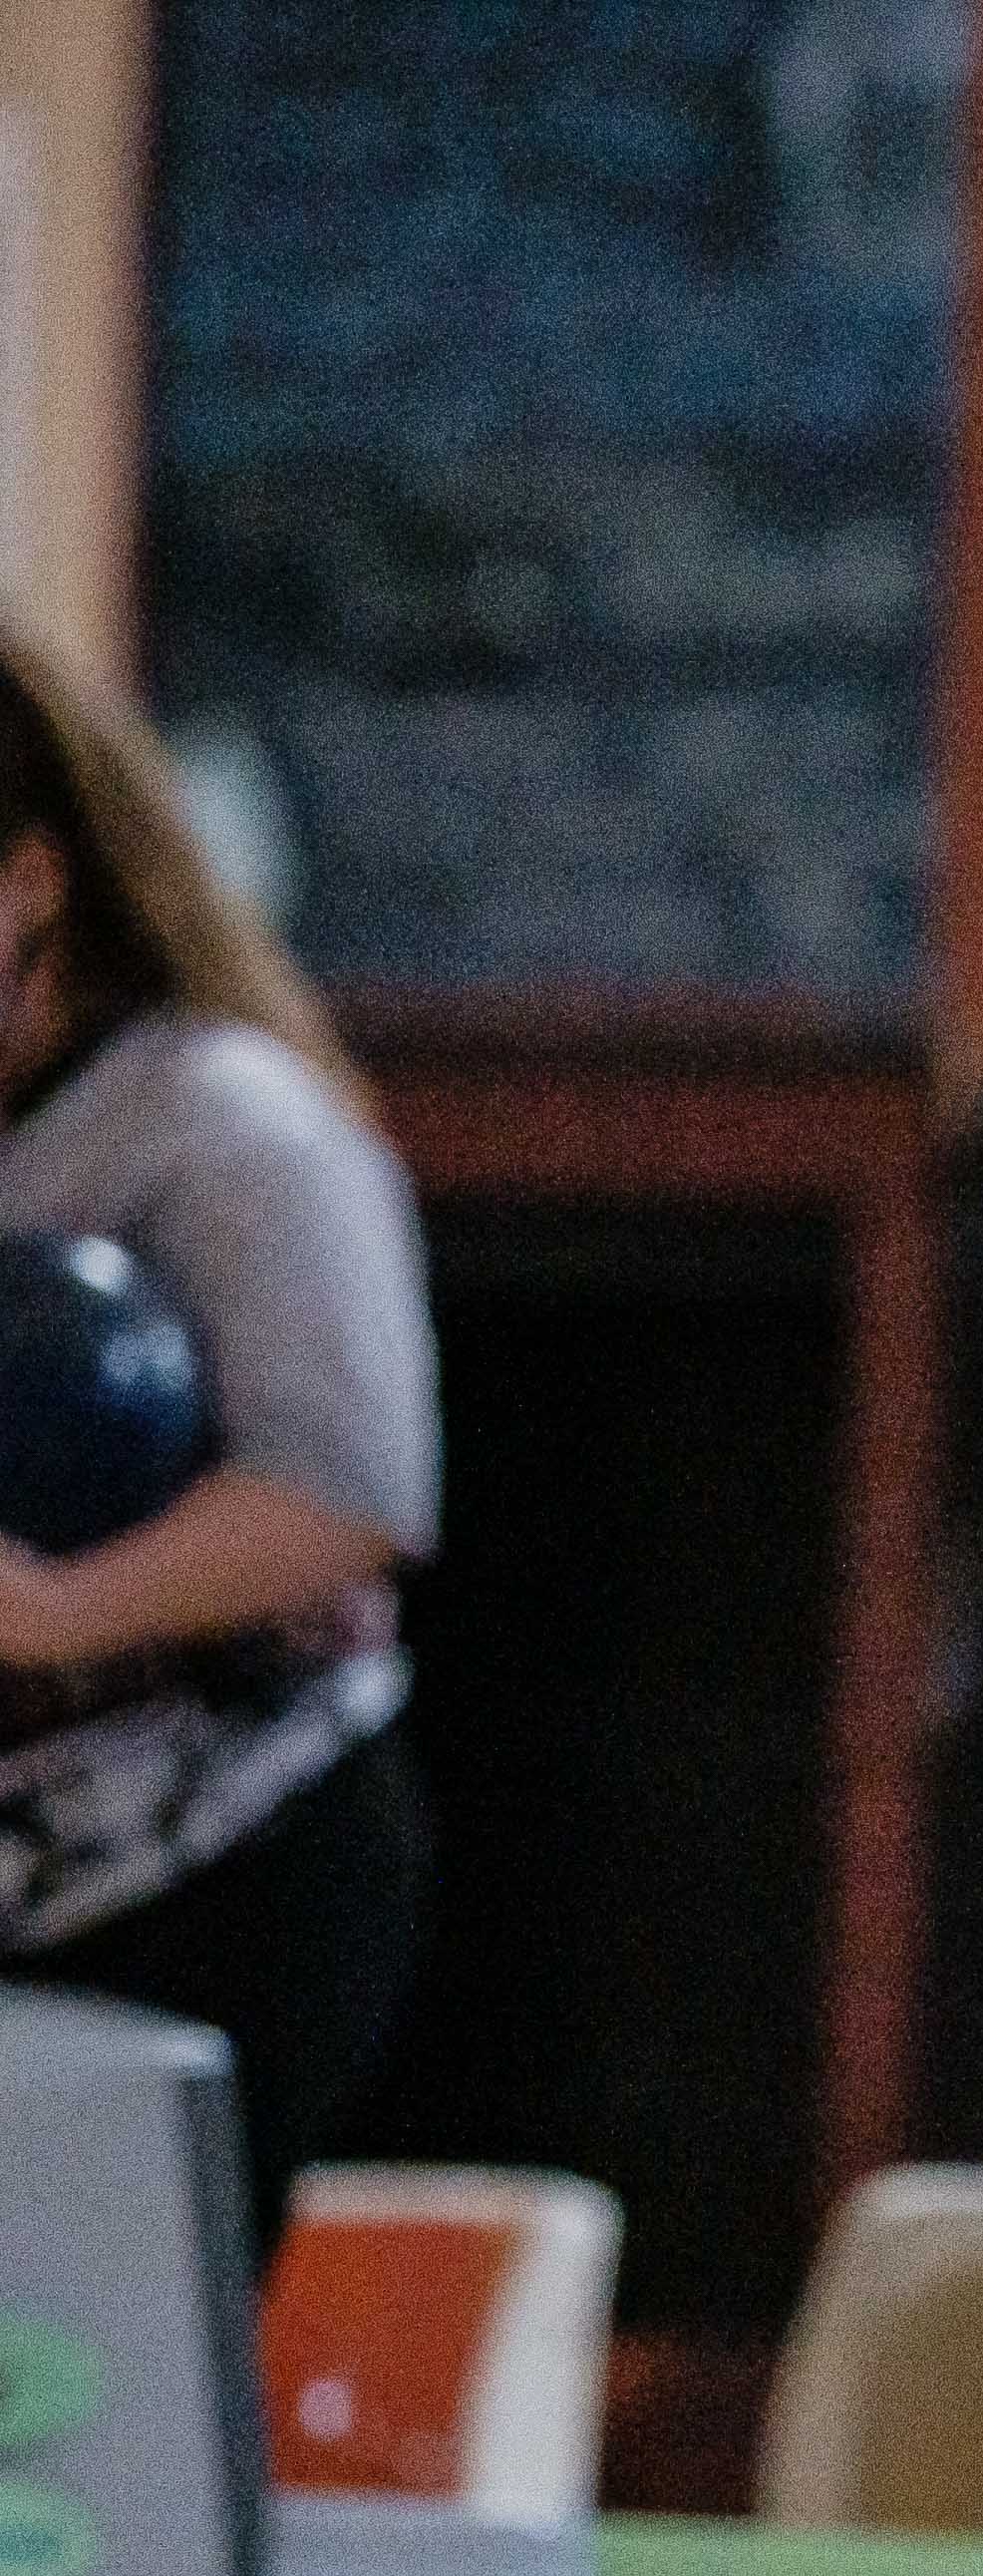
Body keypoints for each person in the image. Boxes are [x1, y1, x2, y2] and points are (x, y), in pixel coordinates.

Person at [0, 616, 434, 2238]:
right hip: (27, 1895)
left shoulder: (223, 1128)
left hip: (218, 1873)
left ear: (33, 882)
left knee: (103, 2390)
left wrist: (51, 1612)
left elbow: (344, 1493)